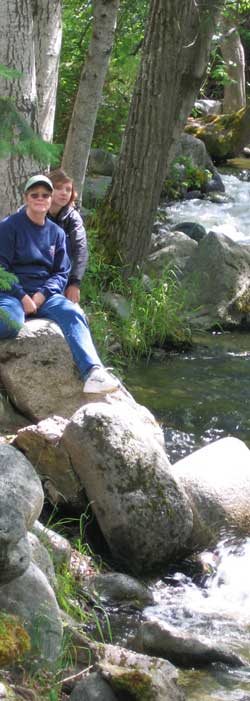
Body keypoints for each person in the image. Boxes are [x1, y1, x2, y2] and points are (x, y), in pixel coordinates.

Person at [0, 174, 120, 395]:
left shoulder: (56, 233)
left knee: (72, 312)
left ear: (50, 198)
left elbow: (61, 272)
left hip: (44, 295)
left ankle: (93, 373)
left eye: (45, 195)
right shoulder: (9, 226)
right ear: (26, 197)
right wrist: (22, 296)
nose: (40, 199)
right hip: (11, 293)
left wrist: (42, 295)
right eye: (34, 195)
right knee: (10, 323)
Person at [47, 168, 87, 305]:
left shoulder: (72, 217)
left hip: (61, 274)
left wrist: (74, 283)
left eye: (68, 189)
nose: (64, 193)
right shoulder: (34, 210)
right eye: (58, 188)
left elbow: (81, 249)